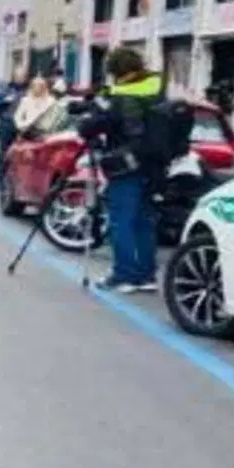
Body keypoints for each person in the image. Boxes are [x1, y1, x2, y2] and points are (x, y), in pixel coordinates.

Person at [76, 47, 165, 292]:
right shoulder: (157, 90)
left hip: (126, 165)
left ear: (117, 72)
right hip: (154, 165)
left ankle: (124, 274)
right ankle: (146, 275)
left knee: (121, 221)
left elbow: (89, 127)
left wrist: (91, 114)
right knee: (144, 222)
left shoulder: (120, 96)